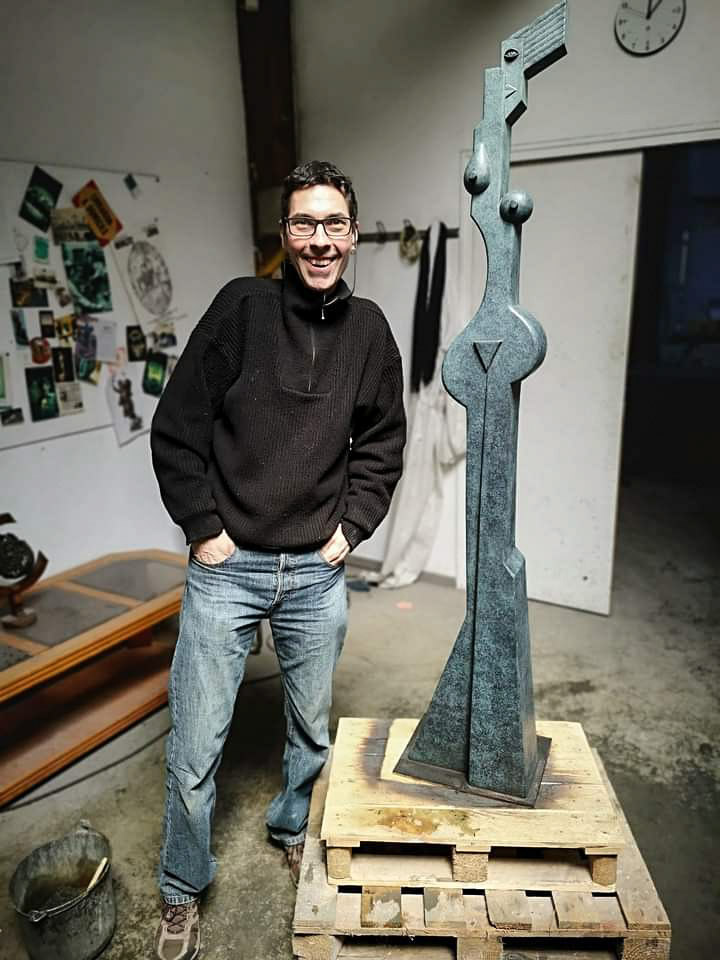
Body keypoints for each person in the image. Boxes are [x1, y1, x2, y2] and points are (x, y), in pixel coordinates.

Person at [150, 160, 406, 960]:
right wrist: (204, 529)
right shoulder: (243, 307)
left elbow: (383, 444)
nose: (319, 239)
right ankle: (181, 887)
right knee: (195, 744)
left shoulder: (369, 333)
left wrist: (349, 531)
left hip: (315, 573)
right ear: (284, 235)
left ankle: (294, 826)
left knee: (310, 728)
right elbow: (177, 427)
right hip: (227, 567)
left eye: (334, 223)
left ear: (353, 235)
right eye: (304, 223)